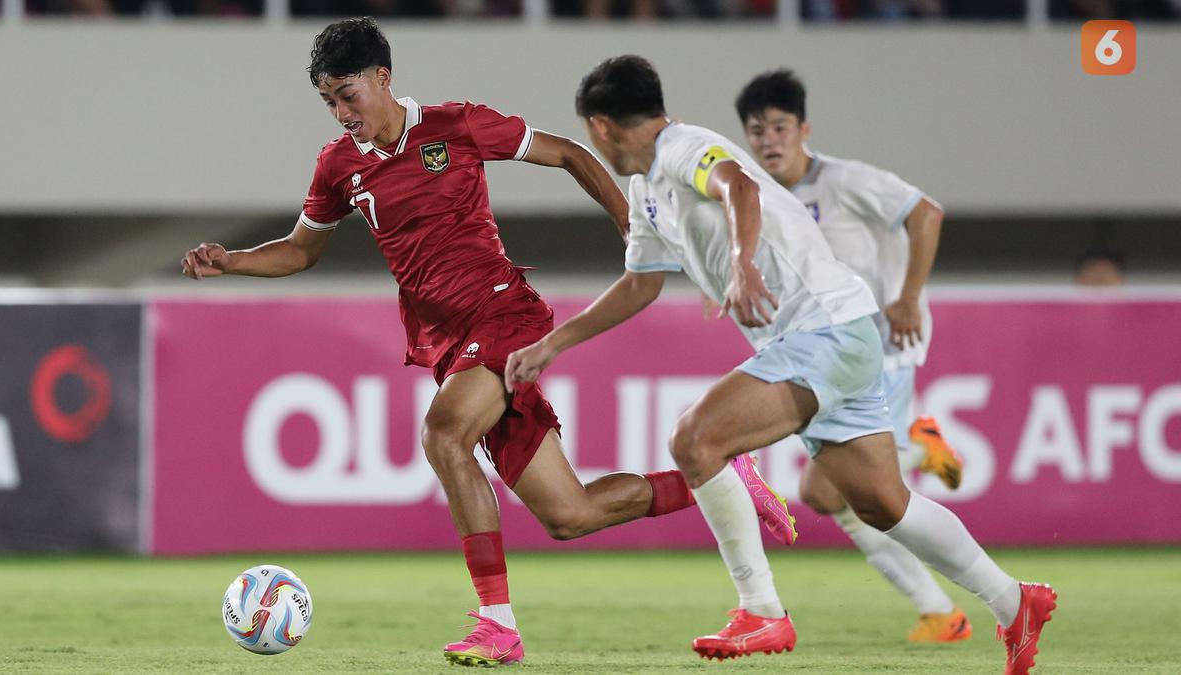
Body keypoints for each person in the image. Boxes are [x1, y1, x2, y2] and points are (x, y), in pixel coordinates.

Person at [179, 19, 794, 668]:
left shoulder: (457, 125)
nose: (341, 112)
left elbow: (572, 154)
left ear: (384, 78)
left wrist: (630, 223)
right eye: (328, 100)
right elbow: (301, 251)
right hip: (447, 346)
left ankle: (496, 624)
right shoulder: (339, 165)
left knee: (443, 434)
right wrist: (235, 260)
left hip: (504, 316)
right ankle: (716, 481)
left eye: (347, 94)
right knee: (571, 514)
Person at [507, 55, 1055, 673]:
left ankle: (762, 610)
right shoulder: (645, 191)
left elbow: (737, 186)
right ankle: (1015, 602)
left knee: (696, 439)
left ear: (599, 126)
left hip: (826, 329)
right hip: (833, 336)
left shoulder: (684, 147)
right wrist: (554, 344)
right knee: (880, 504)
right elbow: (640, 284)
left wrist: (742, 263)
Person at [734, 68, 971, 643]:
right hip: (832, 356)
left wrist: (907, 297)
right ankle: (939, 607)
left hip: (884, 349)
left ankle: (942, 608)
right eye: (756, 129)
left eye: (779, 126)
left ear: (804, 129)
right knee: (828, 492)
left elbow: (927, 213)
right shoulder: (759, 199)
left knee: (826, 490)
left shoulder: (845, 181)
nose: (769, 139)